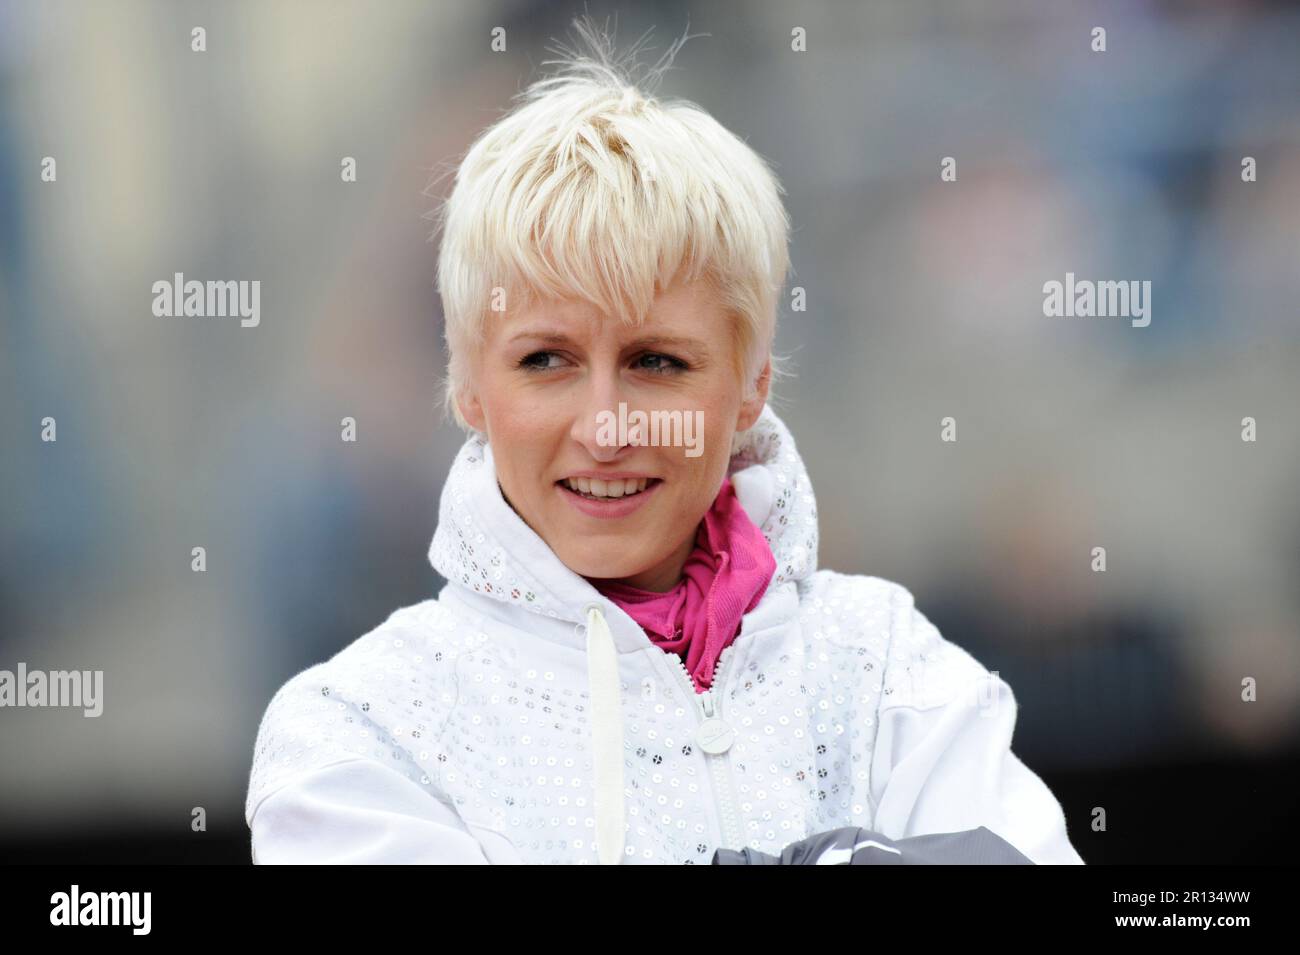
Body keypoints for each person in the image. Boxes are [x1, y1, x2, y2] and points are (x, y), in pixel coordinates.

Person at [244, 19, 1084, 865]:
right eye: (546, 360)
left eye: (657, 361)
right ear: (466, 383)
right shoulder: (359, 729)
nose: (606, 425)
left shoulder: (890, 668)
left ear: (753, 382)